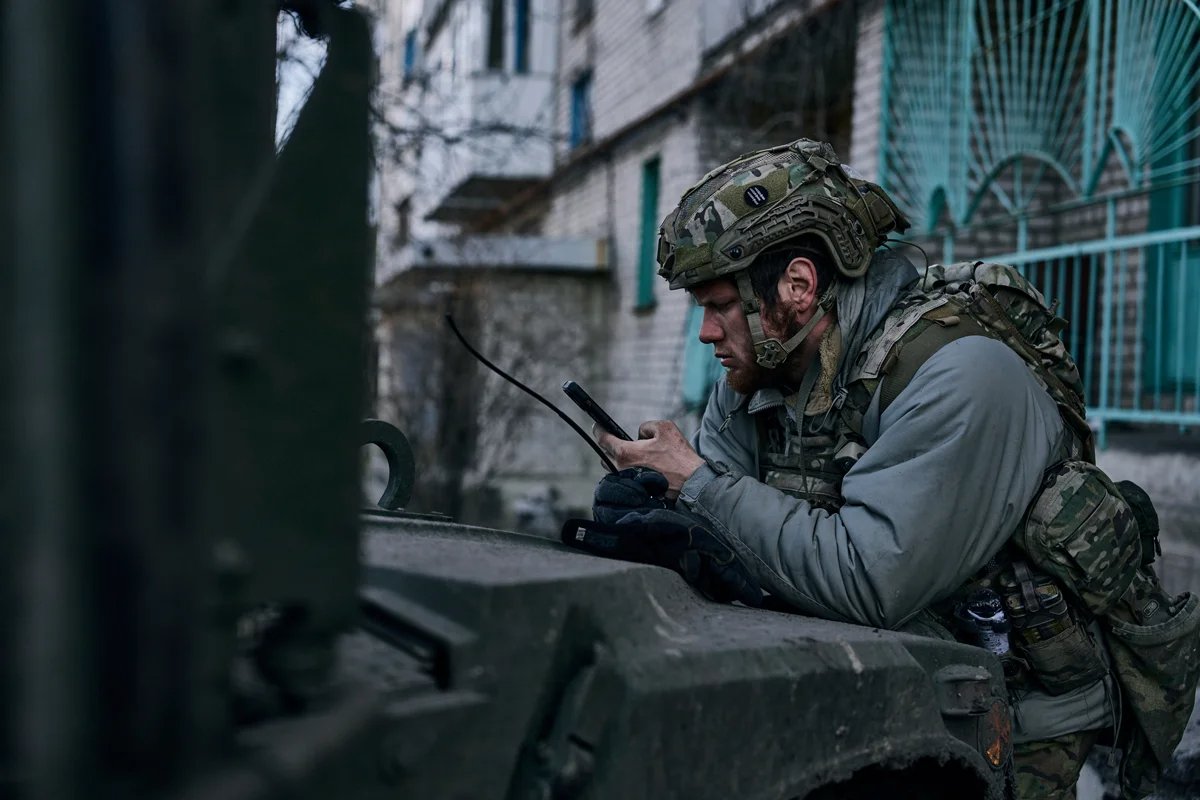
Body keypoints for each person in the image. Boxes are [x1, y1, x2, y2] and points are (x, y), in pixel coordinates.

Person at [588, 139, 1138, 799]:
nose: (707, 333)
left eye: (720, 306)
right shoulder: (759, 373)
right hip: (873, 674)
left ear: (798, 285)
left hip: (1012, 720)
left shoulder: (959, 373)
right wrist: (655, 513)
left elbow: (870, 580)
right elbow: (728, 532)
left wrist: (699, 487)